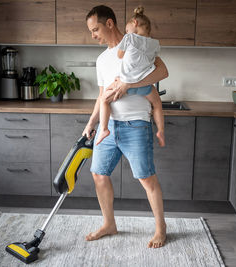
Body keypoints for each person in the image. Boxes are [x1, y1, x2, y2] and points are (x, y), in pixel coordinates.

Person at [83, 5, 169, 248]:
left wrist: (128, 86)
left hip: (136, 126)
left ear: (109, 23)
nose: (93, 35)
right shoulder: (101, 60)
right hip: (108, 125)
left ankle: (161, 229)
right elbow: (102, 96)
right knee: (99, 174)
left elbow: (162, 71)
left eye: (95, 29)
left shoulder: (138, 45)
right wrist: (91, 124)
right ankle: (109, 224)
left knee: (146, 179)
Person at [95, 6, 165, 147]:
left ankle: (103, 129)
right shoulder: (154, 44)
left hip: (123, 82)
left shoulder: (129, 38)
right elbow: (156, 63)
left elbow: (119, 55)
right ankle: (161, 130)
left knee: (104, 100)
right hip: (145, 87)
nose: (126, 32)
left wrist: (126, 51)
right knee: (157, 104)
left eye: (127, 29)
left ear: (135, 23)